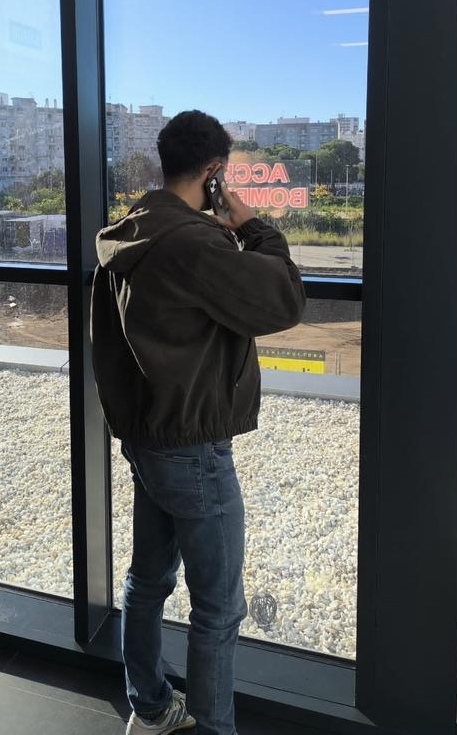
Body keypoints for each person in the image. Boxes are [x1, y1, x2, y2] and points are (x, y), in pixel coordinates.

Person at [90, 110, 306, 735]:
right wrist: (254, 228)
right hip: (194, 448)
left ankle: (151, 706)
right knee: (218, 608)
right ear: (214, 172)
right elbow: (281, 301)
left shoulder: (131, 233)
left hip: (149, 436)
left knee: (148, 579)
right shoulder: (192, 244)